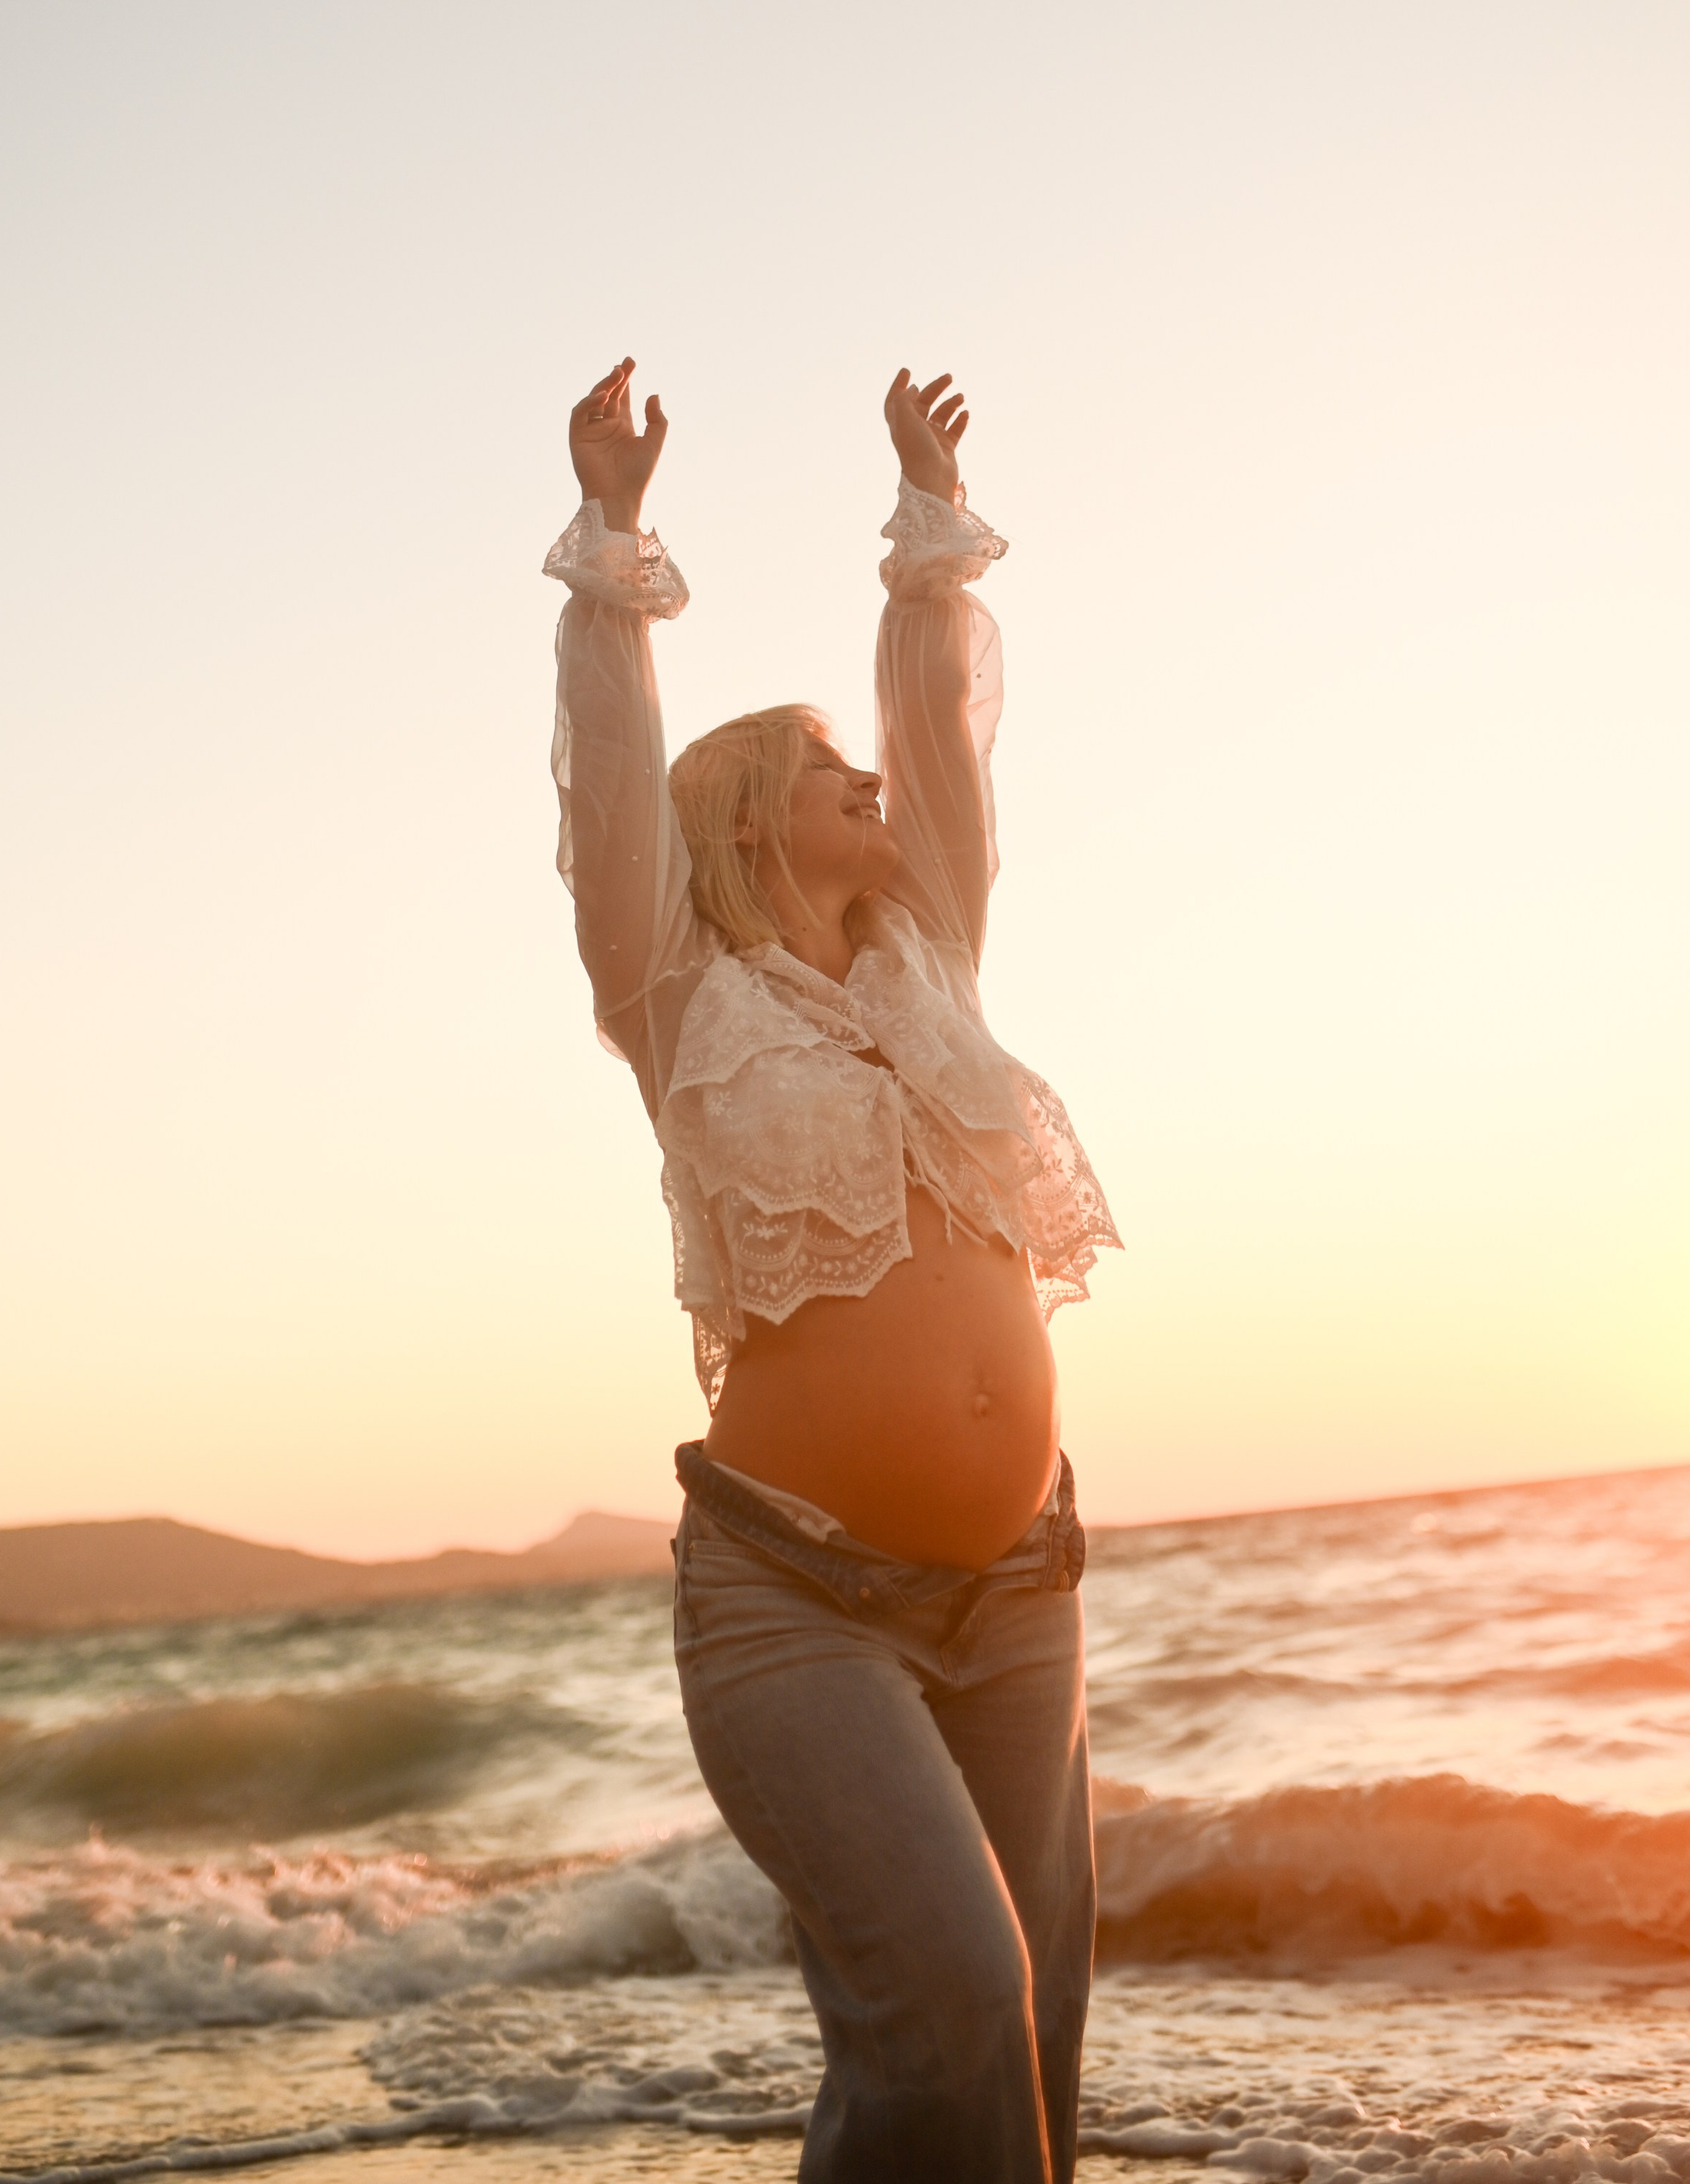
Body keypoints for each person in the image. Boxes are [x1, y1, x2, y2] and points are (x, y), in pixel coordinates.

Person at [545, 357, 1120, 2183]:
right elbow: (615, 787)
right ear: (737, 825)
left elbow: (943, 737)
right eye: (819, 769)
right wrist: (617, 538)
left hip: (1021, 1589)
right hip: (797, 1599)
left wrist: (924, 538)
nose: (864, 782)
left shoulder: (927, 961)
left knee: (1021, 2036)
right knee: (941, 2005)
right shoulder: (675, 993)